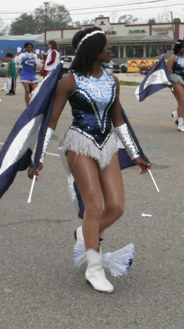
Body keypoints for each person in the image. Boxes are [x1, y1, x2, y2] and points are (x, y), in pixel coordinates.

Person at [27, 27, 151, 293]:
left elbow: (118, 120)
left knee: (116, 206)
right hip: (79, 144)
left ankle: (85, 233)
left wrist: (136, 154)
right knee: (93, 206)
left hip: (108, 145)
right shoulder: (69, 81)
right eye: (105, 46)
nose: (110, 50)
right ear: (93, 50)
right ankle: (93, 268)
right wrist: (39, 156)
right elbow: (52, 120)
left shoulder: (112, 80)